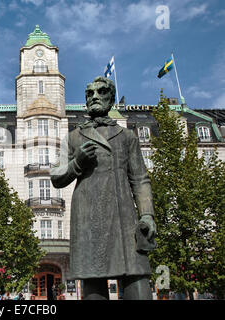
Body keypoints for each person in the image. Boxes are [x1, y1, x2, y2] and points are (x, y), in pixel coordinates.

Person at [51, 76, 156, 300]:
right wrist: (77, 162)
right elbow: (57, 177)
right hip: (88, 217)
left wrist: (147, 214)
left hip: (124, 217)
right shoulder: (73, 137)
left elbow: (140, 179)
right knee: (93, 289)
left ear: (111, 99)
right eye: (90, 94)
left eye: (101, 92)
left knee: (138, 286)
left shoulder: (127, 136)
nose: (95, 97)